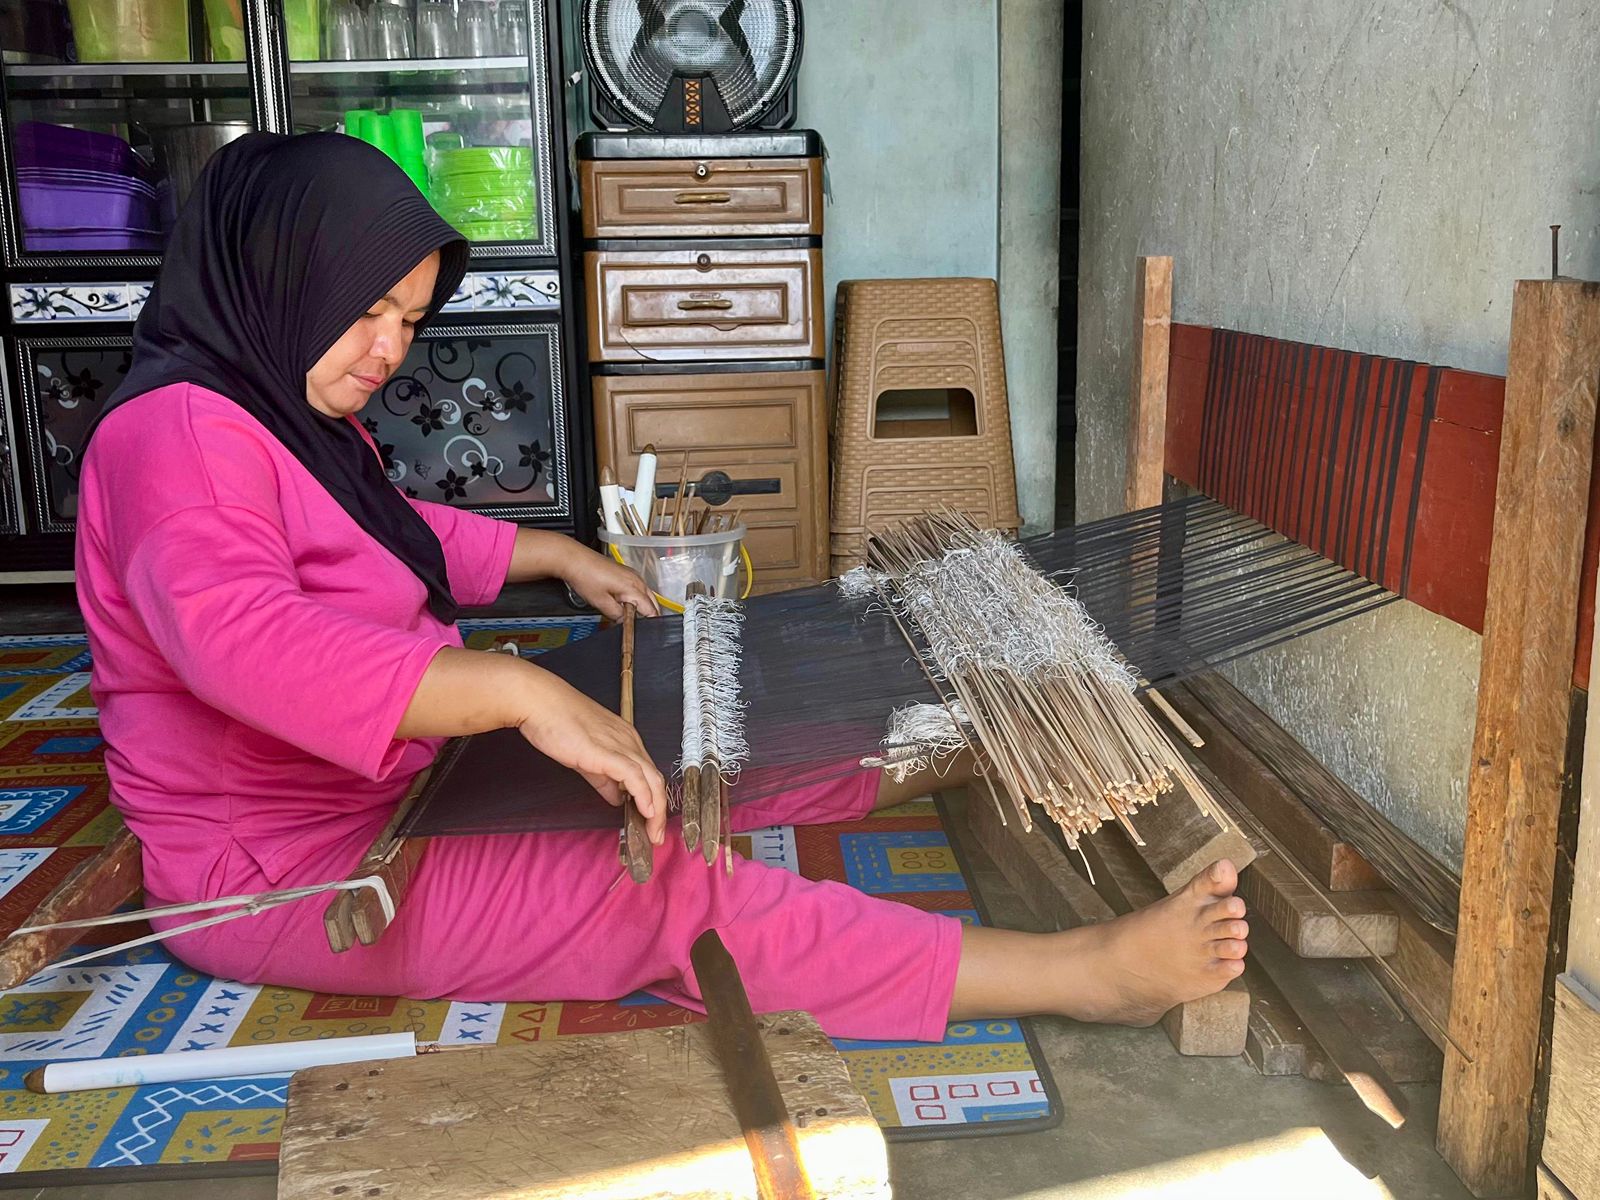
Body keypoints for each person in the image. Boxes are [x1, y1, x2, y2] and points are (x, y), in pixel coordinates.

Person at [74, 132, 1247, 1043]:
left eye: (410, 319)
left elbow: (374, 535)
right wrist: (516, 693)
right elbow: (240, 641)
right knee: (663, 891)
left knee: (693, 742)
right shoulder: (175, 438)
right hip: (292, 866)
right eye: (367, 310)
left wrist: (552, 556)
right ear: (277, 273)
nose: (390, 350)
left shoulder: (279, 415)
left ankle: (947, 751)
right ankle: (1083, 975)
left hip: (395, 777)